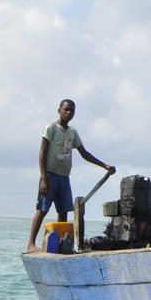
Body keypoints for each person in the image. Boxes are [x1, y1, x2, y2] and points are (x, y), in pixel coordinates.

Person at [26, 99, 115, 252]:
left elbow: (84, 153)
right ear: (59, 110)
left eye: (72, 111)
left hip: (64, 177)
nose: (68, 113)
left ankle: (62, 245)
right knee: (43, 209)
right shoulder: (51, 128)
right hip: (49, 175)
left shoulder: (72, 133)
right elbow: (42, 153)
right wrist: (43, 178)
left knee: (63, 212)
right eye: (66, 109)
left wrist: (104, 165)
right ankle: (31, 244)